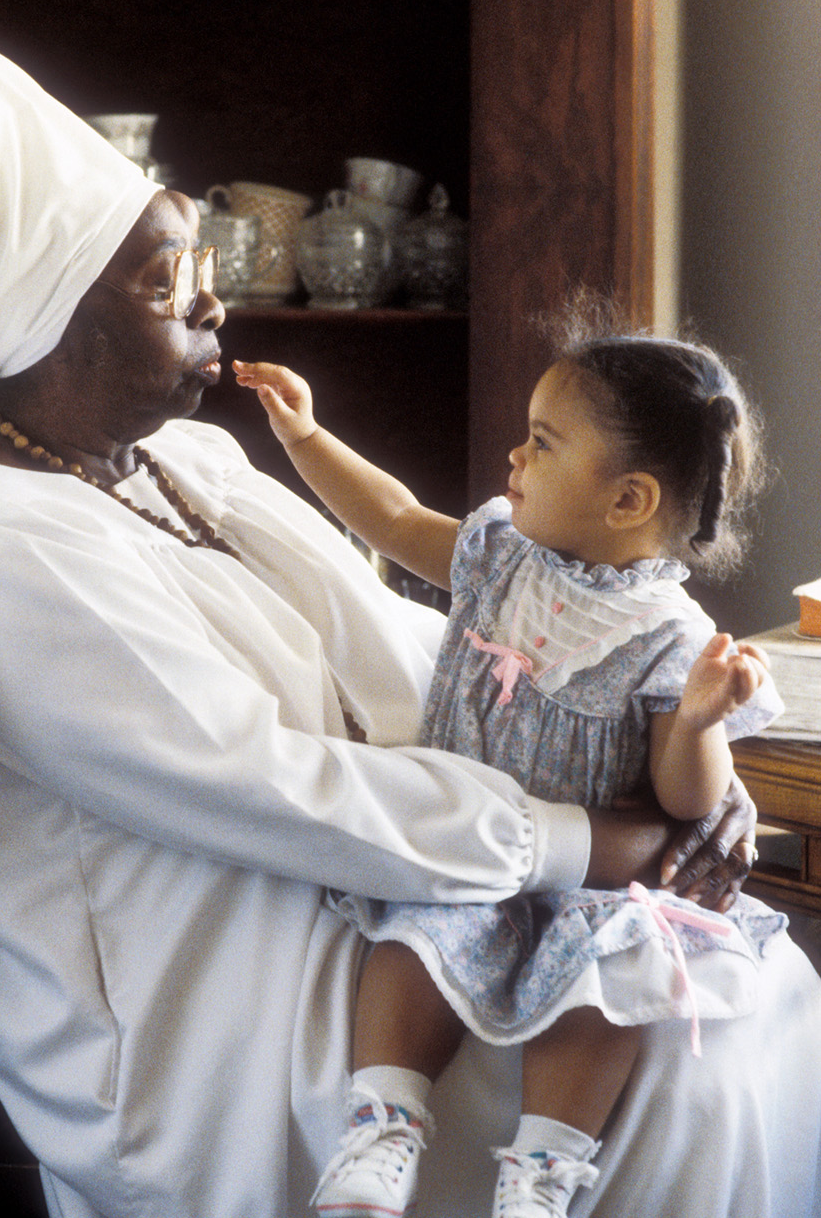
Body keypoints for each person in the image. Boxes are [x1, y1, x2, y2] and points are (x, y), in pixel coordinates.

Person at [0, 15, 819, 1218]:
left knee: (736, 992)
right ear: (37, 310)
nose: (214, 307)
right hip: (214, 999)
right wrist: (584, 841)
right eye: (166, 279)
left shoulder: (186, 459)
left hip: (390, 887)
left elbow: (420, 648)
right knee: (677, 1067)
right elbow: (265, 783)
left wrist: (655, 749)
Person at [234, 344, 791, 1218]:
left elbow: (685, 804)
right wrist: (305, 437)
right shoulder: (502, 556)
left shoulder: (668, 637)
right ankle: (383, 1124)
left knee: (612, 981)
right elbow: (396, 516)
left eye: (542, 442)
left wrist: (697, 721)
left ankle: (541, 1173)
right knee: (416, 936)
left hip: (585, 879)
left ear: (628, 499)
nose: (514, 459)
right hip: (474, 842)